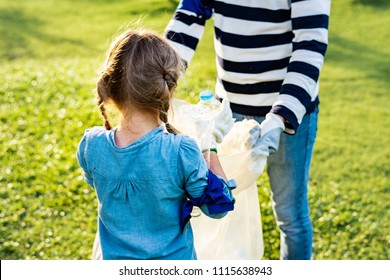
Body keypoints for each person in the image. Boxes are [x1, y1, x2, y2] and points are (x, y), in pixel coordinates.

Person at [165, 0, 331, 259]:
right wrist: (158, 82)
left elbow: (310, 46)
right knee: (222, 210)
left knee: (291, 216)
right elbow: (189, 18)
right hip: (228, 110)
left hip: (287, 110)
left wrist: (279, 118)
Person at [76, 29, 236, 260]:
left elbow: (98, 183)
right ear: (169, 88)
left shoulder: (91, 145)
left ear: (111, 87)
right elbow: (218, 207)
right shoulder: (181, 151)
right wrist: (209, 142)